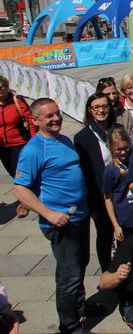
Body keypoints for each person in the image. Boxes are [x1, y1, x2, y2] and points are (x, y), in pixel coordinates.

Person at [13, 98, 90, 334]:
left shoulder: (63, 139)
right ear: (35, 120)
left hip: (80, 216)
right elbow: (20, 189)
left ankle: (78, 309)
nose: (56, 118)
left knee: (80, 265)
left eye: (57, 113)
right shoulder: (34, 149)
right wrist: (48, 213)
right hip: (61, 222)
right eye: (49, 116)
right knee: (69, 277)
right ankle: (69, 326)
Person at [74, 93, 120, 272]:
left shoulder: (118, 129)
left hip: (122, 192)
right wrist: (91, 204)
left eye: (104, 106)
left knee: (124, 232)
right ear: (90, 111)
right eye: (96, 107)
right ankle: (107, 271)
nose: (101, 110)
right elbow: (85, 174)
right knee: (105, 234)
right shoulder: (82, 137)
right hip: (100, 196)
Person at [0, 76, 36, 218]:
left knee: (18, 174)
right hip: (2, 146)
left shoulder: (17, 101)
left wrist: (34, 142)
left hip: (19, 143)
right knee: (12, 172)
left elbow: (31, 121)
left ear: (6, 87)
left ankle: (23, 203)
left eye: (0, 88)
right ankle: (29, 192)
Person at [103, 127, 133, 242]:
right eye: (118, 150)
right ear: (111, 149)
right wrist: (116, 226)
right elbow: (108, 199)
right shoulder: (110, 170)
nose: (123, 152)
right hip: (125, 220)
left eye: (125, 148)